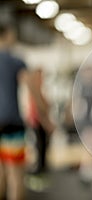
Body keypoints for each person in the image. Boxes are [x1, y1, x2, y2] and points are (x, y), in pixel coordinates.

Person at [0, 23, 26, 200]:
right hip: (11, 123)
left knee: (0, 173)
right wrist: (46, 121)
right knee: (15, 174)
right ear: (7, 35)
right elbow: (33, 92)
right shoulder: (16, 61)